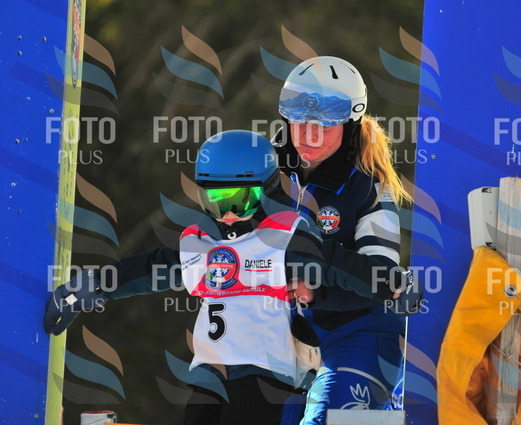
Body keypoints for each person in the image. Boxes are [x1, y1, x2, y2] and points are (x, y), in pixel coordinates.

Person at [44, 129, 411, 425]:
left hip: (265, 373)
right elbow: (149, 269)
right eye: (217, 201)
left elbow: (339, 266)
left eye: (240, 200)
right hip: (210, 371)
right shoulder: (201, 245)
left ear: (268, 189)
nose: (229, 214)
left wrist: (392, 283)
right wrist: (92, 286)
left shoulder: (283, 238)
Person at [274, 56, 417, 424]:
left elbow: (382, 277)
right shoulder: (264, 171)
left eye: (324, 126)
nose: (309, 136)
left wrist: (314, 281)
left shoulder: (370, 185)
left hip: (359, 332)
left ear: (350, 123)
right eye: (300, 122)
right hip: (284, 336)